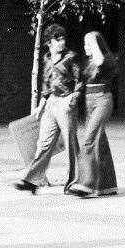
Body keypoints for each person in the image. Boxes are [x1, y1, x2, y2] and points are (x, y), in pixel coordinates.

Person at [16, 25, 81, 193]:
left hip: (66, 103)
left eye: (63, 39)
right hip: (51, 103)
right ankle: (32, 180)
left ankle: (74, 182)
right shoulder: (46, 58)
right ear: (48, 42)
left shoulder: (70, 58)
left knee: (70, 144)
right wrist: (41, 105)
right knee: (43, 143)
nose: (61, 42)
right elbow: (46, 83)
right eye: (57, 39)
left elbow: (80, 80)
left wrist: (72, 99)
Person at [70, 31, 119, 198]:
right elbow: (81, 84)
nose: (86, 47)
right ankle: (108, 185)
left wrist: (93, 39)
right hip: (89, 101)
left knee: (88, 139)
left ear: (97, 45)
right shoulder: (87, 62)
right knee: (100, 141)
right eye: (84, 44)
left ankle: (86, 184)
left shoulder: (106, 59)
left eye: (89, 44)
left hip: (102, 100)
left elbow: (100, 61)